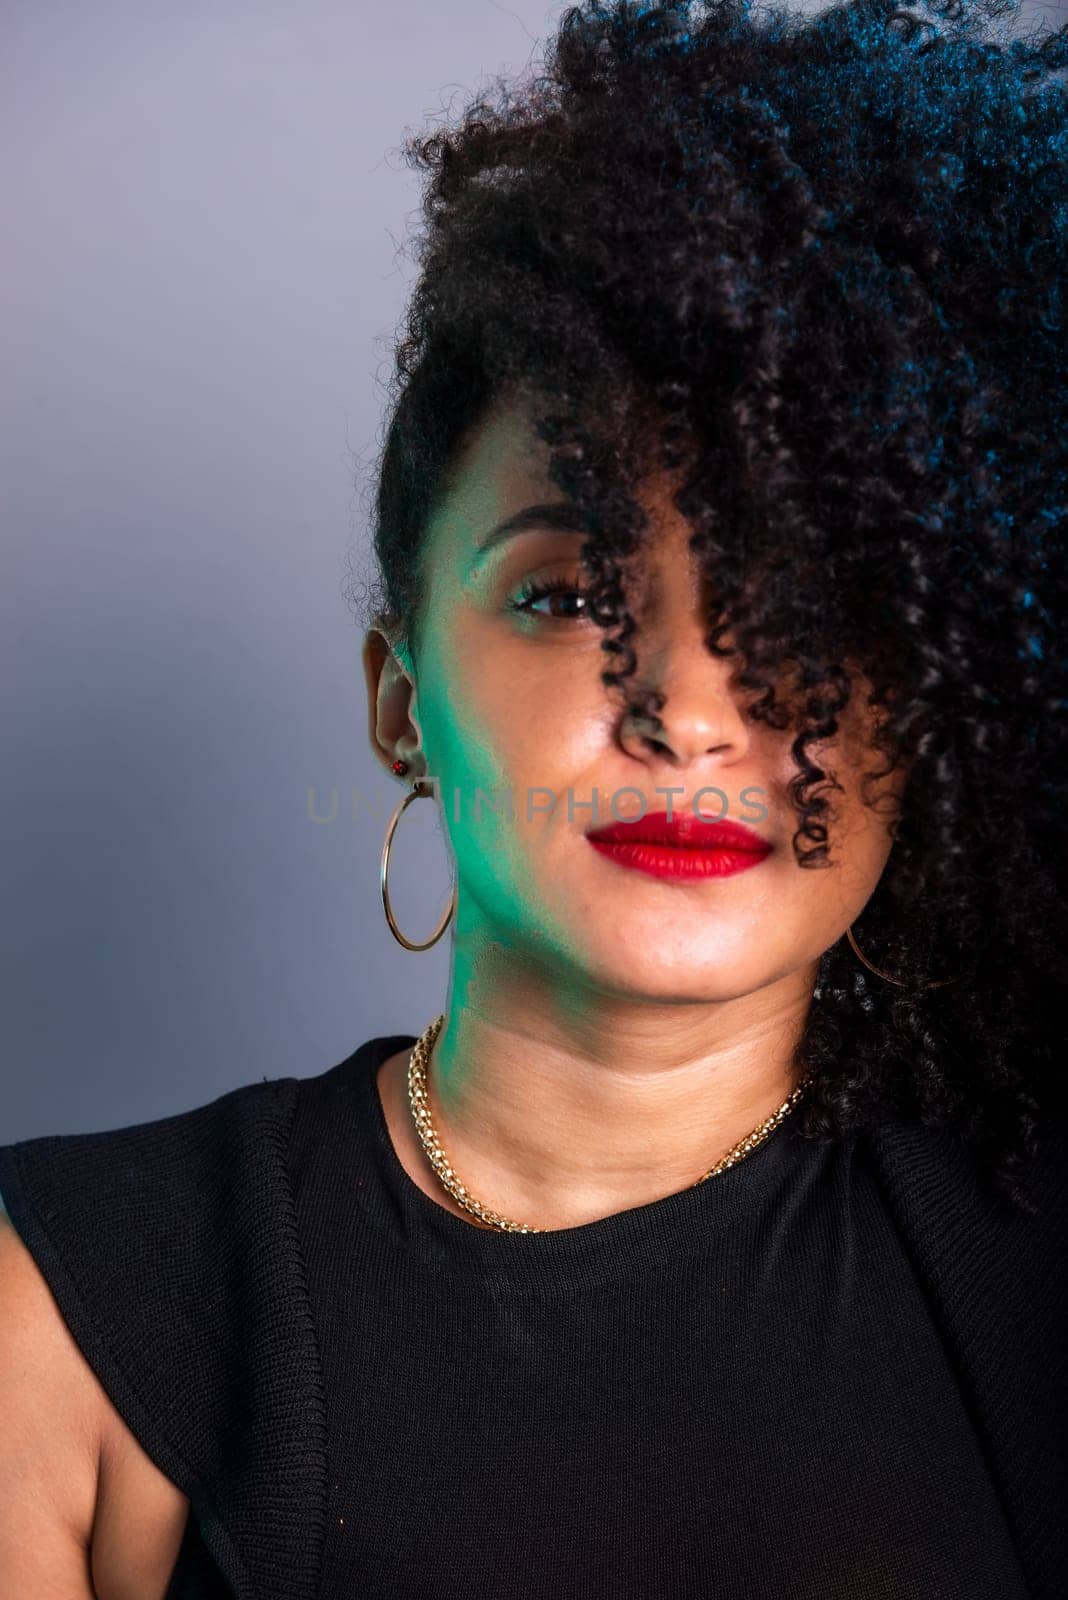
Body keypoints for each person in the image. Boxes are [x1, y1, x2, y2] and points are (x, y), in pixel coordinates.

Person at [1, 1, 1065, 1596]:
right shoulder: (75, 1301)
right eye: (572, 598)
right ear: (398, 699)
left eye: (819, 607)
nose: (694, 715)